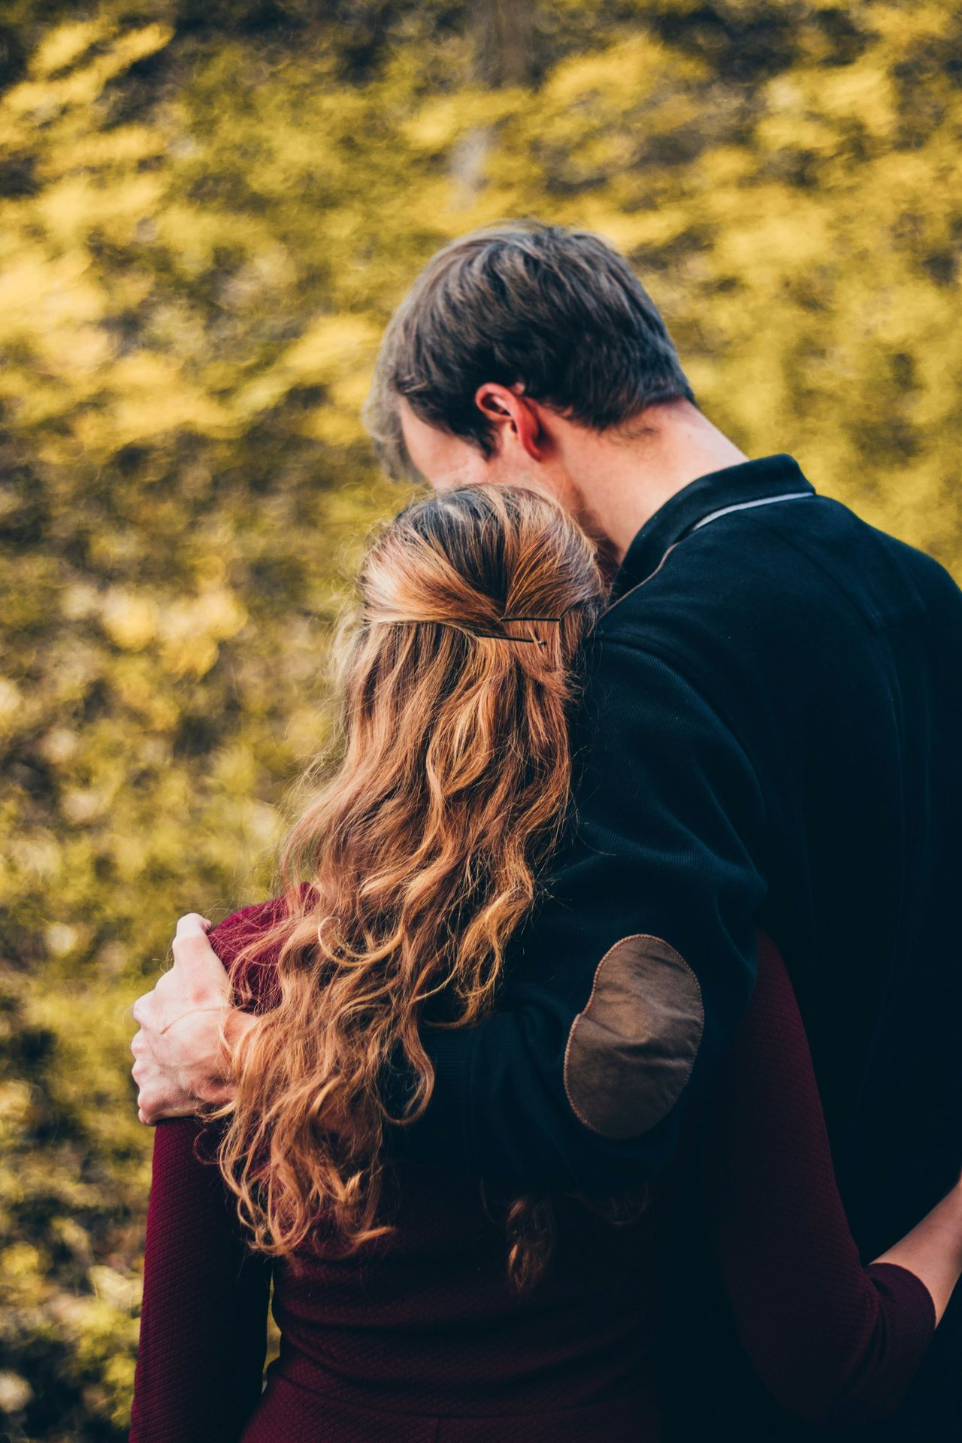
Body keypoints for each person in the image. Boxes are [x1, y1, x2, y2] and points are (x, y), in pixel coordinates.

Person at [131, 224, 962, 1439]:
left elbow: (597, 1091)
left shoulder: (648, 660)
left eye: (451, 493)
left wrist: (256, 1063)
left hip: (745, 1373)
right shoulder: (915, 588)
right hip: (894, 1339)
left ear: (509, 419)